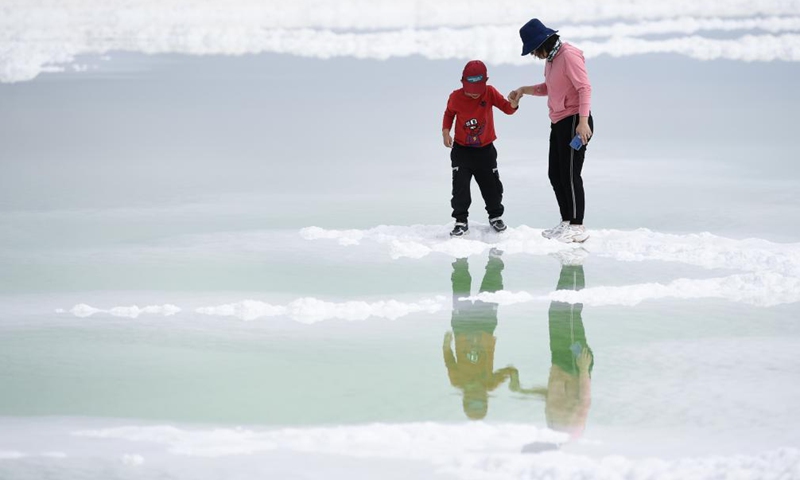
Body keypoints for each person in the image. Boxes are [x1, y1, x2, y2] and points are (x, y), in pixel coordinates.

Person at [509, 19, 595, 243]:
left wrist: (583, 122)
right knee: (555, 174)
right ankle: (567, 221)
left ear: (544, 42)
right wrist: (523, 90)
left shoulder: (568, 55)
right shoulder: (551, 60)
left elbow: (584, 88)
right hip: (558, 122)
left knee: (569, 173)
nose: (535, 55)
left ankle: (578, 226)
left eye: (534, 50)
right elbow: (550, 88)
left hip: (575, 120)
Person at [442, 60, 519, 237]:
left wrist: (514, 102)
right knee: (460, 187)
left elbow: (508, 109)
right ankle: (461, 220)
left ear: (485, 82)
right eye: (470, 90)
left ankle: (495, 217)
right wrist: (446, 133)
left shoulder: (490, 92)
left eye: (478, 91)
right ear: (463, 83)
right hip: (462, 151)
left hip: (485, 151)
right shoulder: (455, 96)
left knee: (491, 187)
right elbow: (448, 114)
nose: (474, 94)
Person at [442, 252, 521, 419]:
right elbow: (512, 370)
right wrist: (515, 383)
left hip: (461, 327)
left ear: (465, 398)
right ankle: (495, 259)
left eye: (472, 398)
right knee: (491, 290)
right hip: (486, 327)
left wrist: (446, 343)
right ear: (485, 398)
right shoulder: (490, 384)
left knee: (460, 290)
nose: (476, 393)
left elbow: (449, 360)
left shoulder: (457, 381)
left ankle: (460, 259)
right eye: (479, 398)